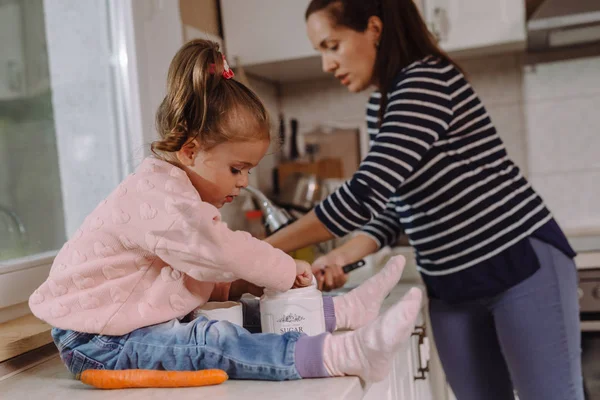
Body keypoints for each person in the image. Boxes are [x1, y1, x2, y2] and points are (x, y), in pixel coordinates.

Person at [27, 39, 423, 383]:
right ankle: (338, 356)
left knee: (246, 310)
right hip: (98, 343)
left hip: (121, 327)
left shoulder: (174, 194)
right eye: (237, 169)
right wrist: (285, 269)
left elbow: (176, 273)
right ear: (191, 150)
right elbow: (216, 250)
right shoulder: (160, 198)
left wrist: (233, 287)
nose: (243, 182)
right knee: (210, 341)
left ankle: (346, 310)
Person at [264, 1, 583, 399]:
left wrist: (255, 253)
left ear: (374, 29)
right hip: (451, 286)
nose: (327, 64)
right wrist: (339, 256)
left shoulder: (426, 81)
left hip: (518, 264)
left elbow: (365, 193)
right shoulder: (379, 106)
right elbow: (395, 208)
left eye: (332, 45)